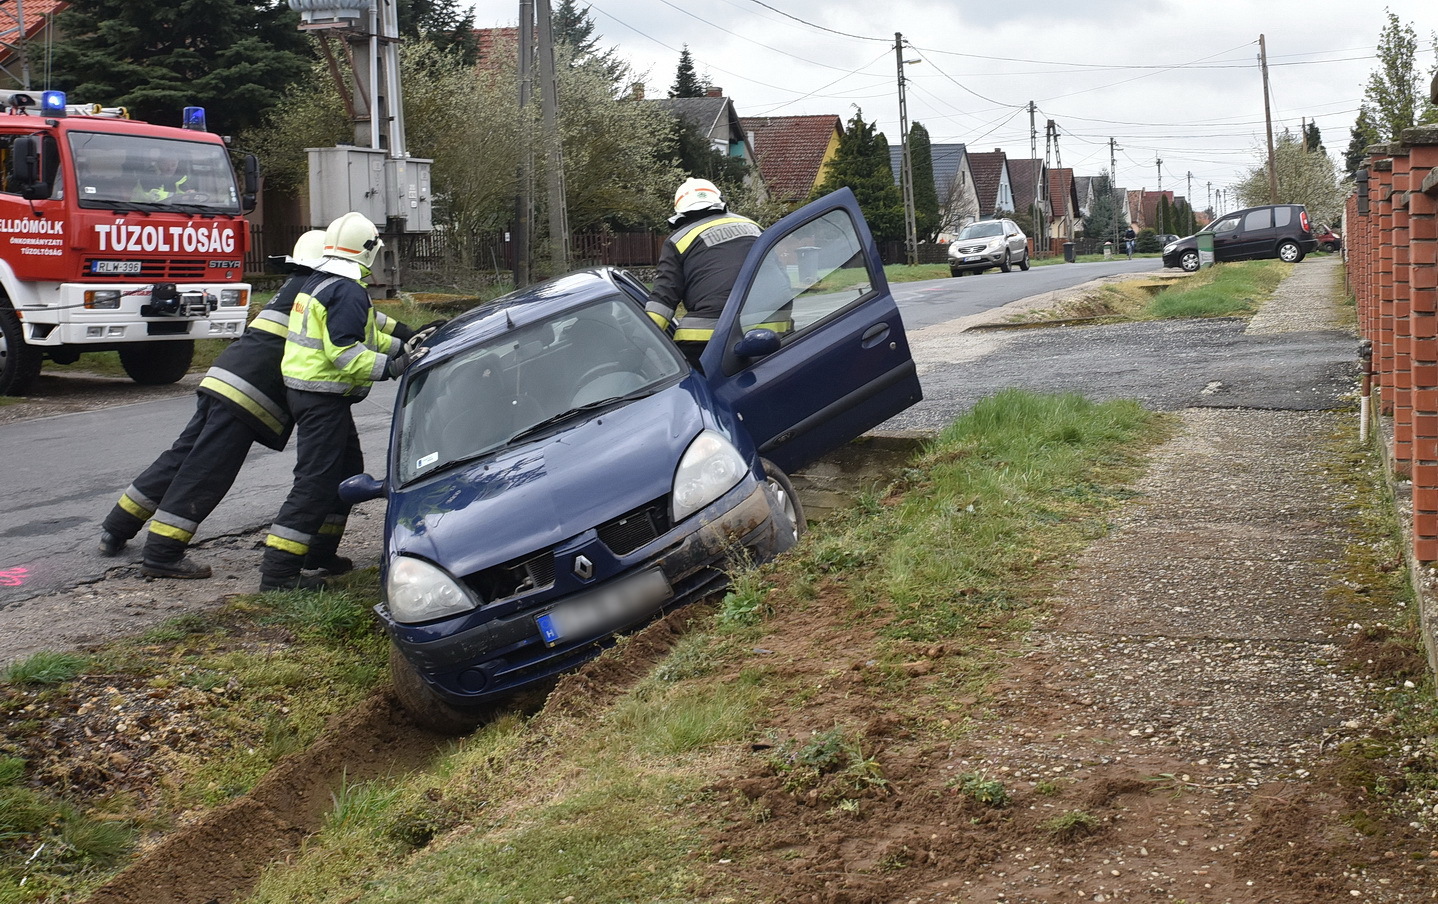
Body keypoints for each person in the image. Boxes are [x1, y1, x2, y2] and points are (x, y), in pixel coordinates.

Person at [257, 212, 429, 592]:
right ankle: (279, 573)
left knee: (347, 471)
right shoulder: (347, 290)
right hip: (321, 398)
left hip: (312, 395)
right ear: (367, 250)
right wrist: (394, 367)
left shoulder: (322, 282)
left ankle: (319, 552)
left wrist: (405, 346)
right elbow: (345, 354)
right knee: (315, 483)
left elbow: (365, 337)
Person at [644, 177, 763, 367]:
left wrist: (641, 342)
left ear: (680, 213)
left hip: (706, 336)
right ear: (720, 201)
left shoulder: (677, 240)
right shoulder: (754, 227)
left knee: (684, 375)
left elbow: (663, 300)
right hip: (768, 326)